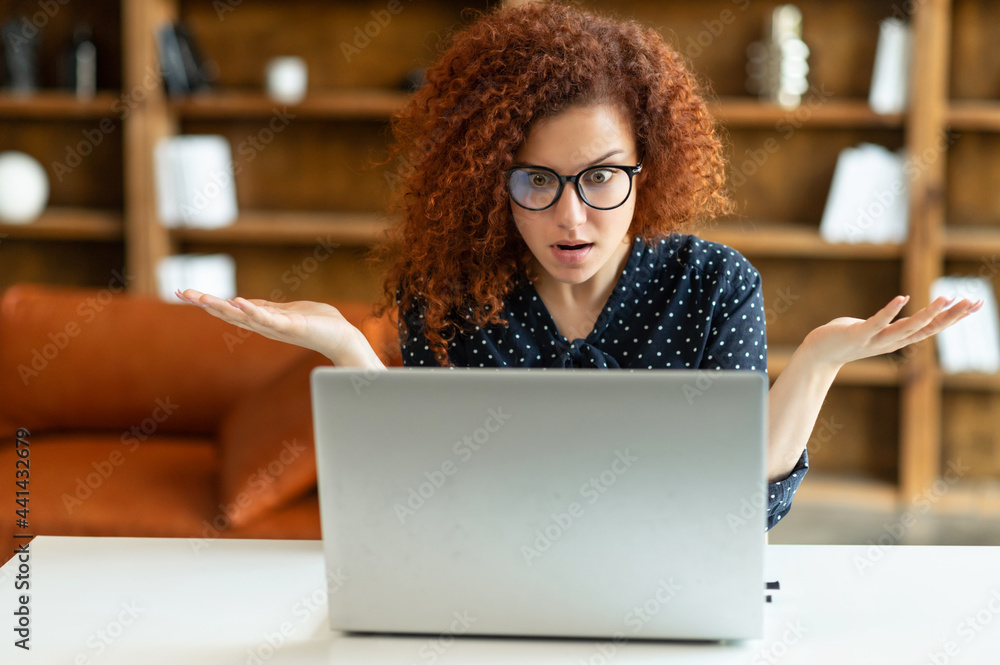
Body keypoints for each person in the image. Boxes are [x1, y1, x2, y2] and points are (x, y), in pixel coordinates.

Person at [177, 2, 982, 529]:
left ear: (649, 168)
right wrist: (350, 351)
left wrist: (818, 361)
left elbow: (740, 501)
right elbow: (430, 499)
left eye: (601, 177)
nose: (571, 216)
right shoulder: (449, 297)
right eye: (536, 180)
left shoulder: (712, 287)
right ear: (492, 179)